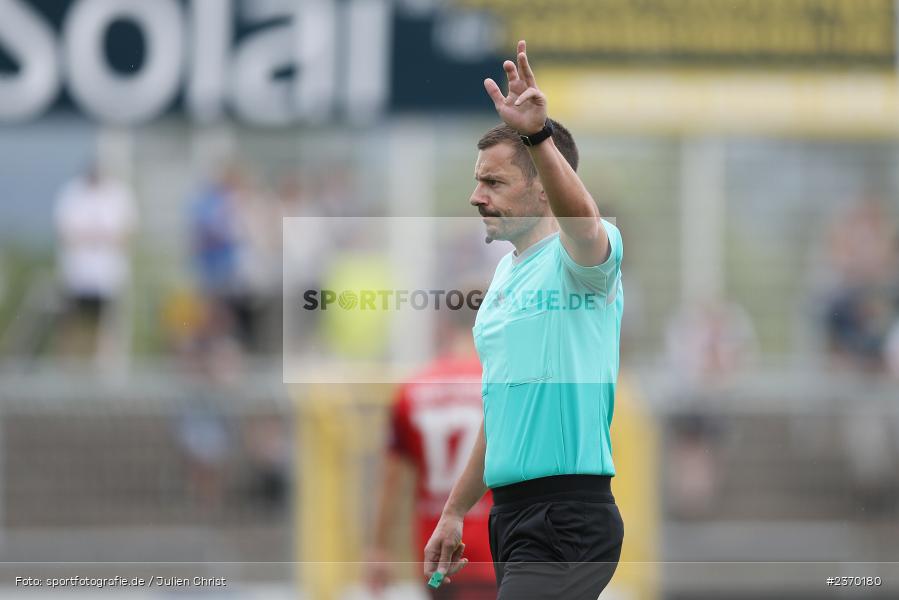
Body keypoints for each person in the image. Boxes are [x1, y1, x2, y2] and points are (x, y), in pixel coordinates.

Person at [423, 41, 625, 599]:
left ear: (540, 186)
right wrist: (454, 510)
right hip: (510, 517)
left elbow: (582, 220)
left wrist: (537, 138)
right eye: (478, 180)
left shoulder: (580, 260)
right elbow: (501, 415)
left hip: (568, 516)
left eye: (493, 183)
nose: (475, 196)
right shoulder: (503, 286)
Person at [368, 303, 496, 600]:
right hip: (497, 552)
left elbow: (392, 482)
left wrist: (379, 547)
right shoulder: (502, 383)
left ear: (446, 327)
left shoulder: (412, 388)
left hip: (436, 556)